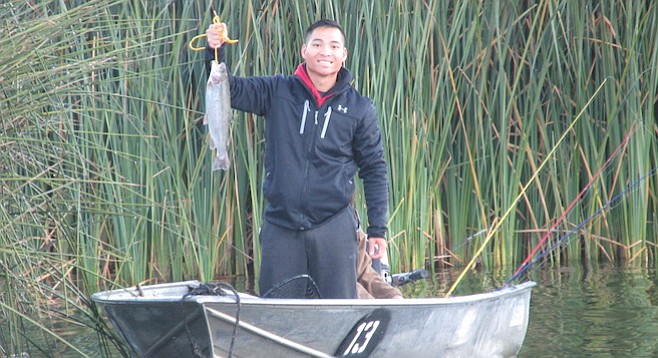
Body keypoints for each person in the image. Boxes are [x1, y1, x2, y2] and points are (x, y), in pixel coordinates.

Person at [206, 19, 389, 299]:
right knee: (277, 313)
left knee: (338, 312)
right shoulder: (278, 91)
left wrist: (378, 229)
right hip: (282, 227)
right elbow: (231, 90)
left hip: (333, 227)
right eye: (317, 44)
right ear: (304, 50)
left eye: (333, 46)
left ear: (344, 55)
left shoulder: (359, 109)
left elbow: (374, 168)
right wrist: (214, 52)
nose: (325, 52)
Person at [356, 228, 403, 299]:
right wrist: (374, 306)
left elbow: (364, 271)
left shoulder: (354, 228)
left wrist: (392, 295)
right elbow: (340, 283)